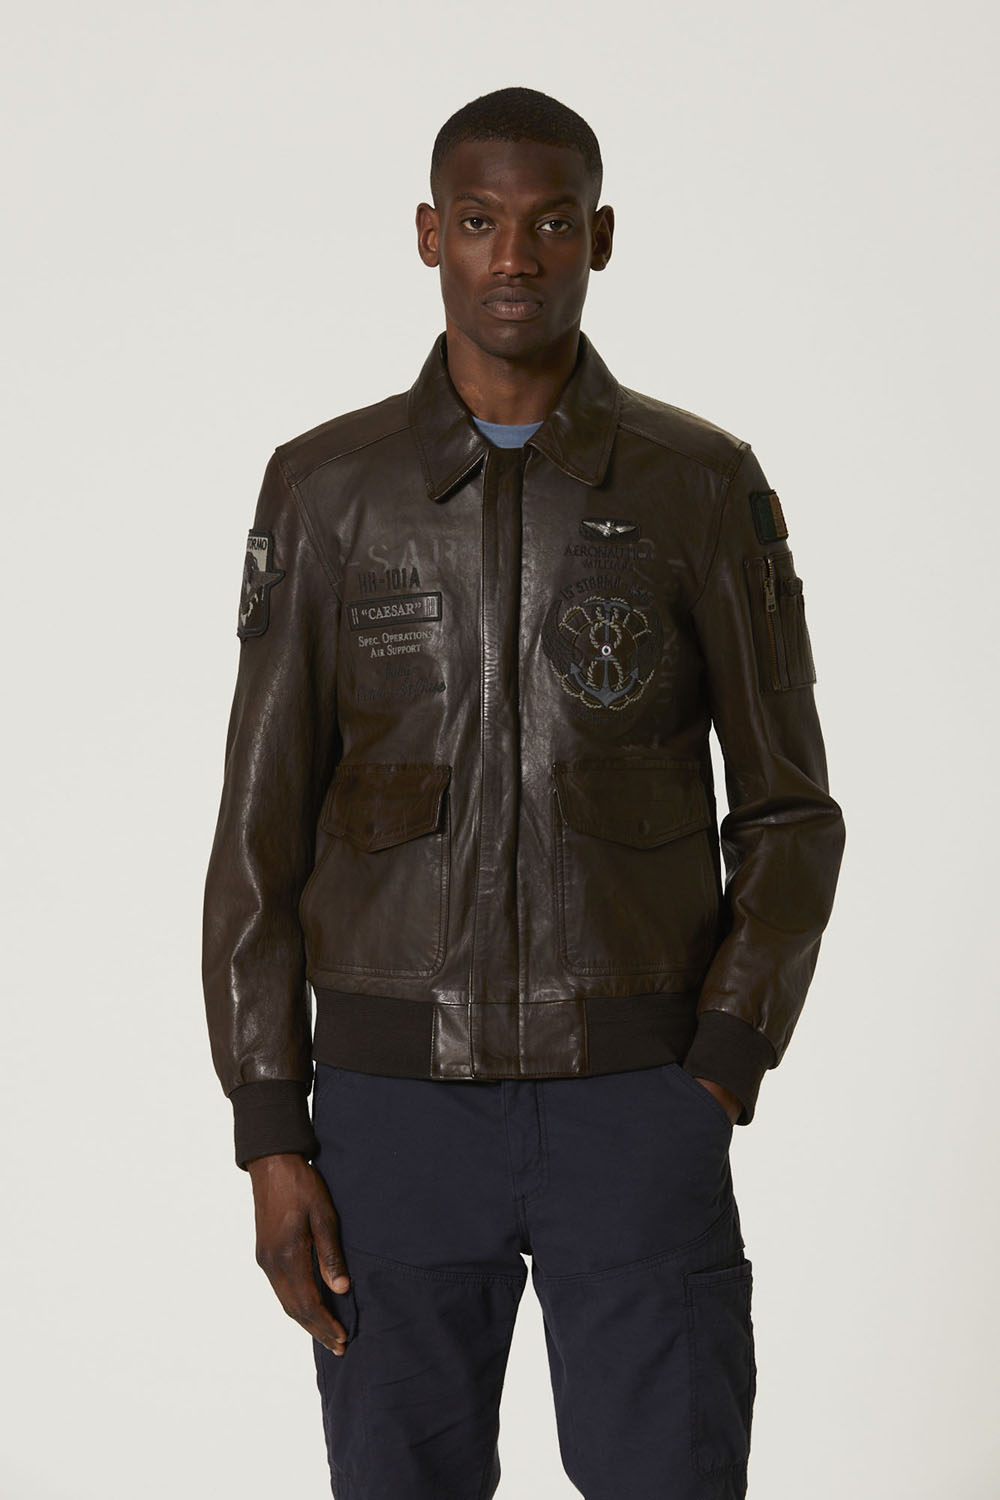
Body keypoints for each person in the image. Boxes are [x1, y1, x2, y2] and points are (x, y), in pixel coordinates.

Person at [202, 85, 845, 1499]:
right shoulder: (326, 491)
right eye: (481, 221)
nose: (515, 256)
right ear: (428, 234)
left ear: (600, 238)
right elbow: (256, 839)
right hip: (389, 1115)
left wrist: (720, 1063)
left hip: (636, 1100)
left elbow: (792, 813)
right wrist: (270, 1130)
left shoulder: (699, 487)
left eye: (551, 223)